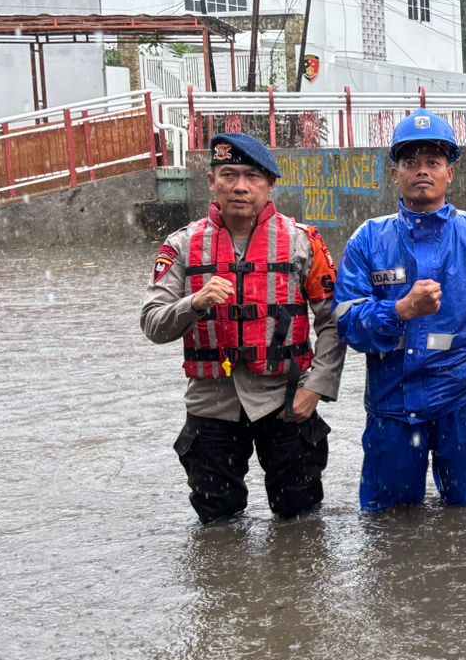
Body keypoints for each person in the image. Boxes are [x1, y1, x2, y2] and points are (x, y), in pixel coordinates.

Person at [141, 132, 344, 524]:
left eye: (252, 176)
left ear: (270, 185)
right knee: (216, 523)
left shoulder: (304, 243)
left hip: (287, 401)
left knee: (300, 518)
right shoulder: (180, 246)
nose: (239, 186)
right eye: (229, 174)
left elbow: (333, 322)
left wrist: (316, 389)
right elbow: (152, 323)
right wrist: (193, 302)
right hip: (211, 405)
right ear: (211, 182)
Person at [334, 111, 466, 513]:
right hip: (391, 404)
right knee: (388, 521)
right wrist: (400, 310)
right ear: (395, 175)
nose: (421, 171)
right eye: (410, 163)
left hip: (463, 402)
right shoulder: (368, 239)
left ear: (449, 174)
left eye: (433, 163)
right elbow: (349, 325)